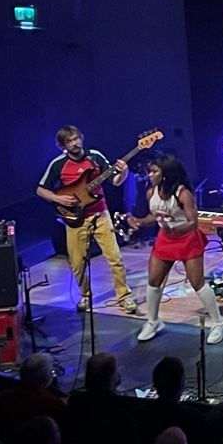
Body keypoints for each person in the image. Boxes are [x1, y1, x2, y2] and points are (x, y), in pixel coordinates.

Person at [35, 125, 142, 316]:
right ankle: (85, 295)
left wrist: (124, 172)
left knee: (115, 258)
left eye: (76, 138)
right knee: (77, 264)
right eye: (69, 141)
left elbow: (115, 181)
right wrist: (59, 199)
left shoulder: (95, 157)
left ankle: (124, 297)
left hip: (100, 214)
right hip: (75, 219)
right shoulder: (58, 164)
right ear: (62, 146)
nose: (75, 143)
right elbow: (40, 189)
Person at [129, 152, 223, 345]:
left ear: (165, 174)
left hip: (187, 239)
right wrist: (139, 222)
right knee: (154, 281)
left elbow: (193, 222)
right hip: (165, 239)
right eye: (150, 171)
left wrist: (177, 227)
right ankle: (153, 321)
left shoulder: (183, 194)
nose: (150, 175)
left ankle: (218, 322)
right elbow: (155, 217)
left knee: (197, 282)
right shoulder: (151, 193)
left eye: (154, 171)